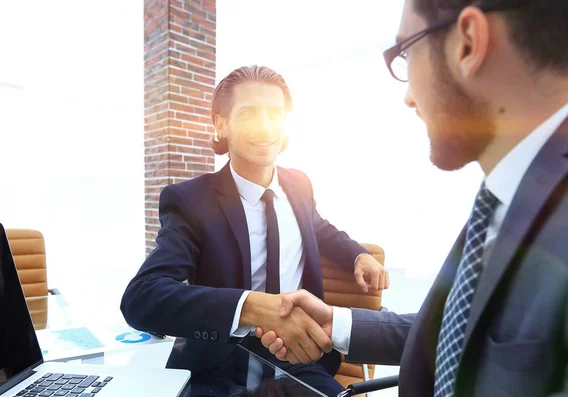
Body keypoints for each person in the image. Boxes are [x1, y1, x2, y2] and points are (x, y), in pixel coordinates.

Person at [256, 0, 568, 396]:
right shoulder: (517, 185)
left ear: (468, 44)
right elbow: (469, 331)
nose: (408, 98)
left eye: (406, 52)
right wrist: (341, 324)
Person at [120, 65, 389, 397]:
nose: (265, 126)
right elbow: (142, 297)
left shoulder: (299, 184)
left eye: (275, 114)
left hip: (299, 363)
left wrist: (358, 255)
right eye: (249, 113)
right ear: (221, 123)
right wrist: (251, 307)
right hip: (217, 371)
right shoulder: (190, 200)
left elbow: (319, 228)